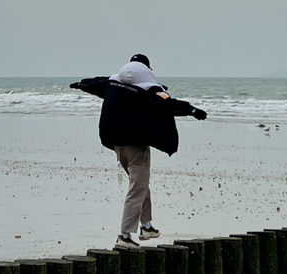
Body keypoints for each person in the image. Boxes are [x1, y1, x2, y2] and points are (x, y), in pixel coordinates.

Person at [70, 53, 207, 248]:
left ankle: (147, 225)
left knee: (140, 184)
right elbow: (168, 103)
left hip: (116, 145)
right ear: (148, 69)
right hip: (136, 147)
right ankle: (125, 236)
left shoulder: (112, 83)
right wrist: (192, 110)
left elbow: (94, 83)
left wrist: (80, 84)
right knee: (137, 189)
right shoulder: (149, 87)